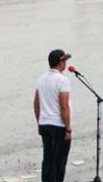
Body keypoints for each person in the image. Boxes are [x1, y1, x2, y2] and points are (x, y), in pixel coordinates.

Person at [34, 49, 72, 182]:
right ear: (61, 63)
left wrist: (40, 122)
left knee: (48, 160)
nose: (66, 63)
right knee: (59, 162)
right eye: (65, 60)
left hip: (44, 124)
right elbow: (64, 106)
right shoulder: (62, 80)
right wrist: (68, 129)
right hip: (58, 126)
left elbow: (36, 104)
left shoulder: (41, 79)